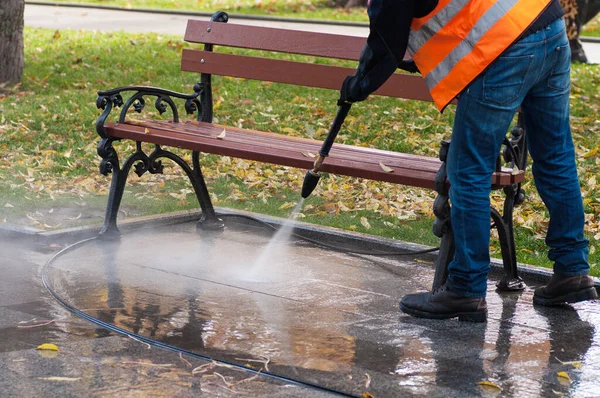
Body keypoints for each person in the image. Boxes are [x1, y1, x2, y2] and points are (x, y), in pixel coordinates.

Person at [340, 0, 598, 322]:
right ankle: (572, 269)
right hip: (547, 23)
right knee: (555, 156)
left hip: (503, 46)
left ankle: (465, 287)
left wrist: (358, 85)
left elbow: (386, 39)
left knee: (468, 170)